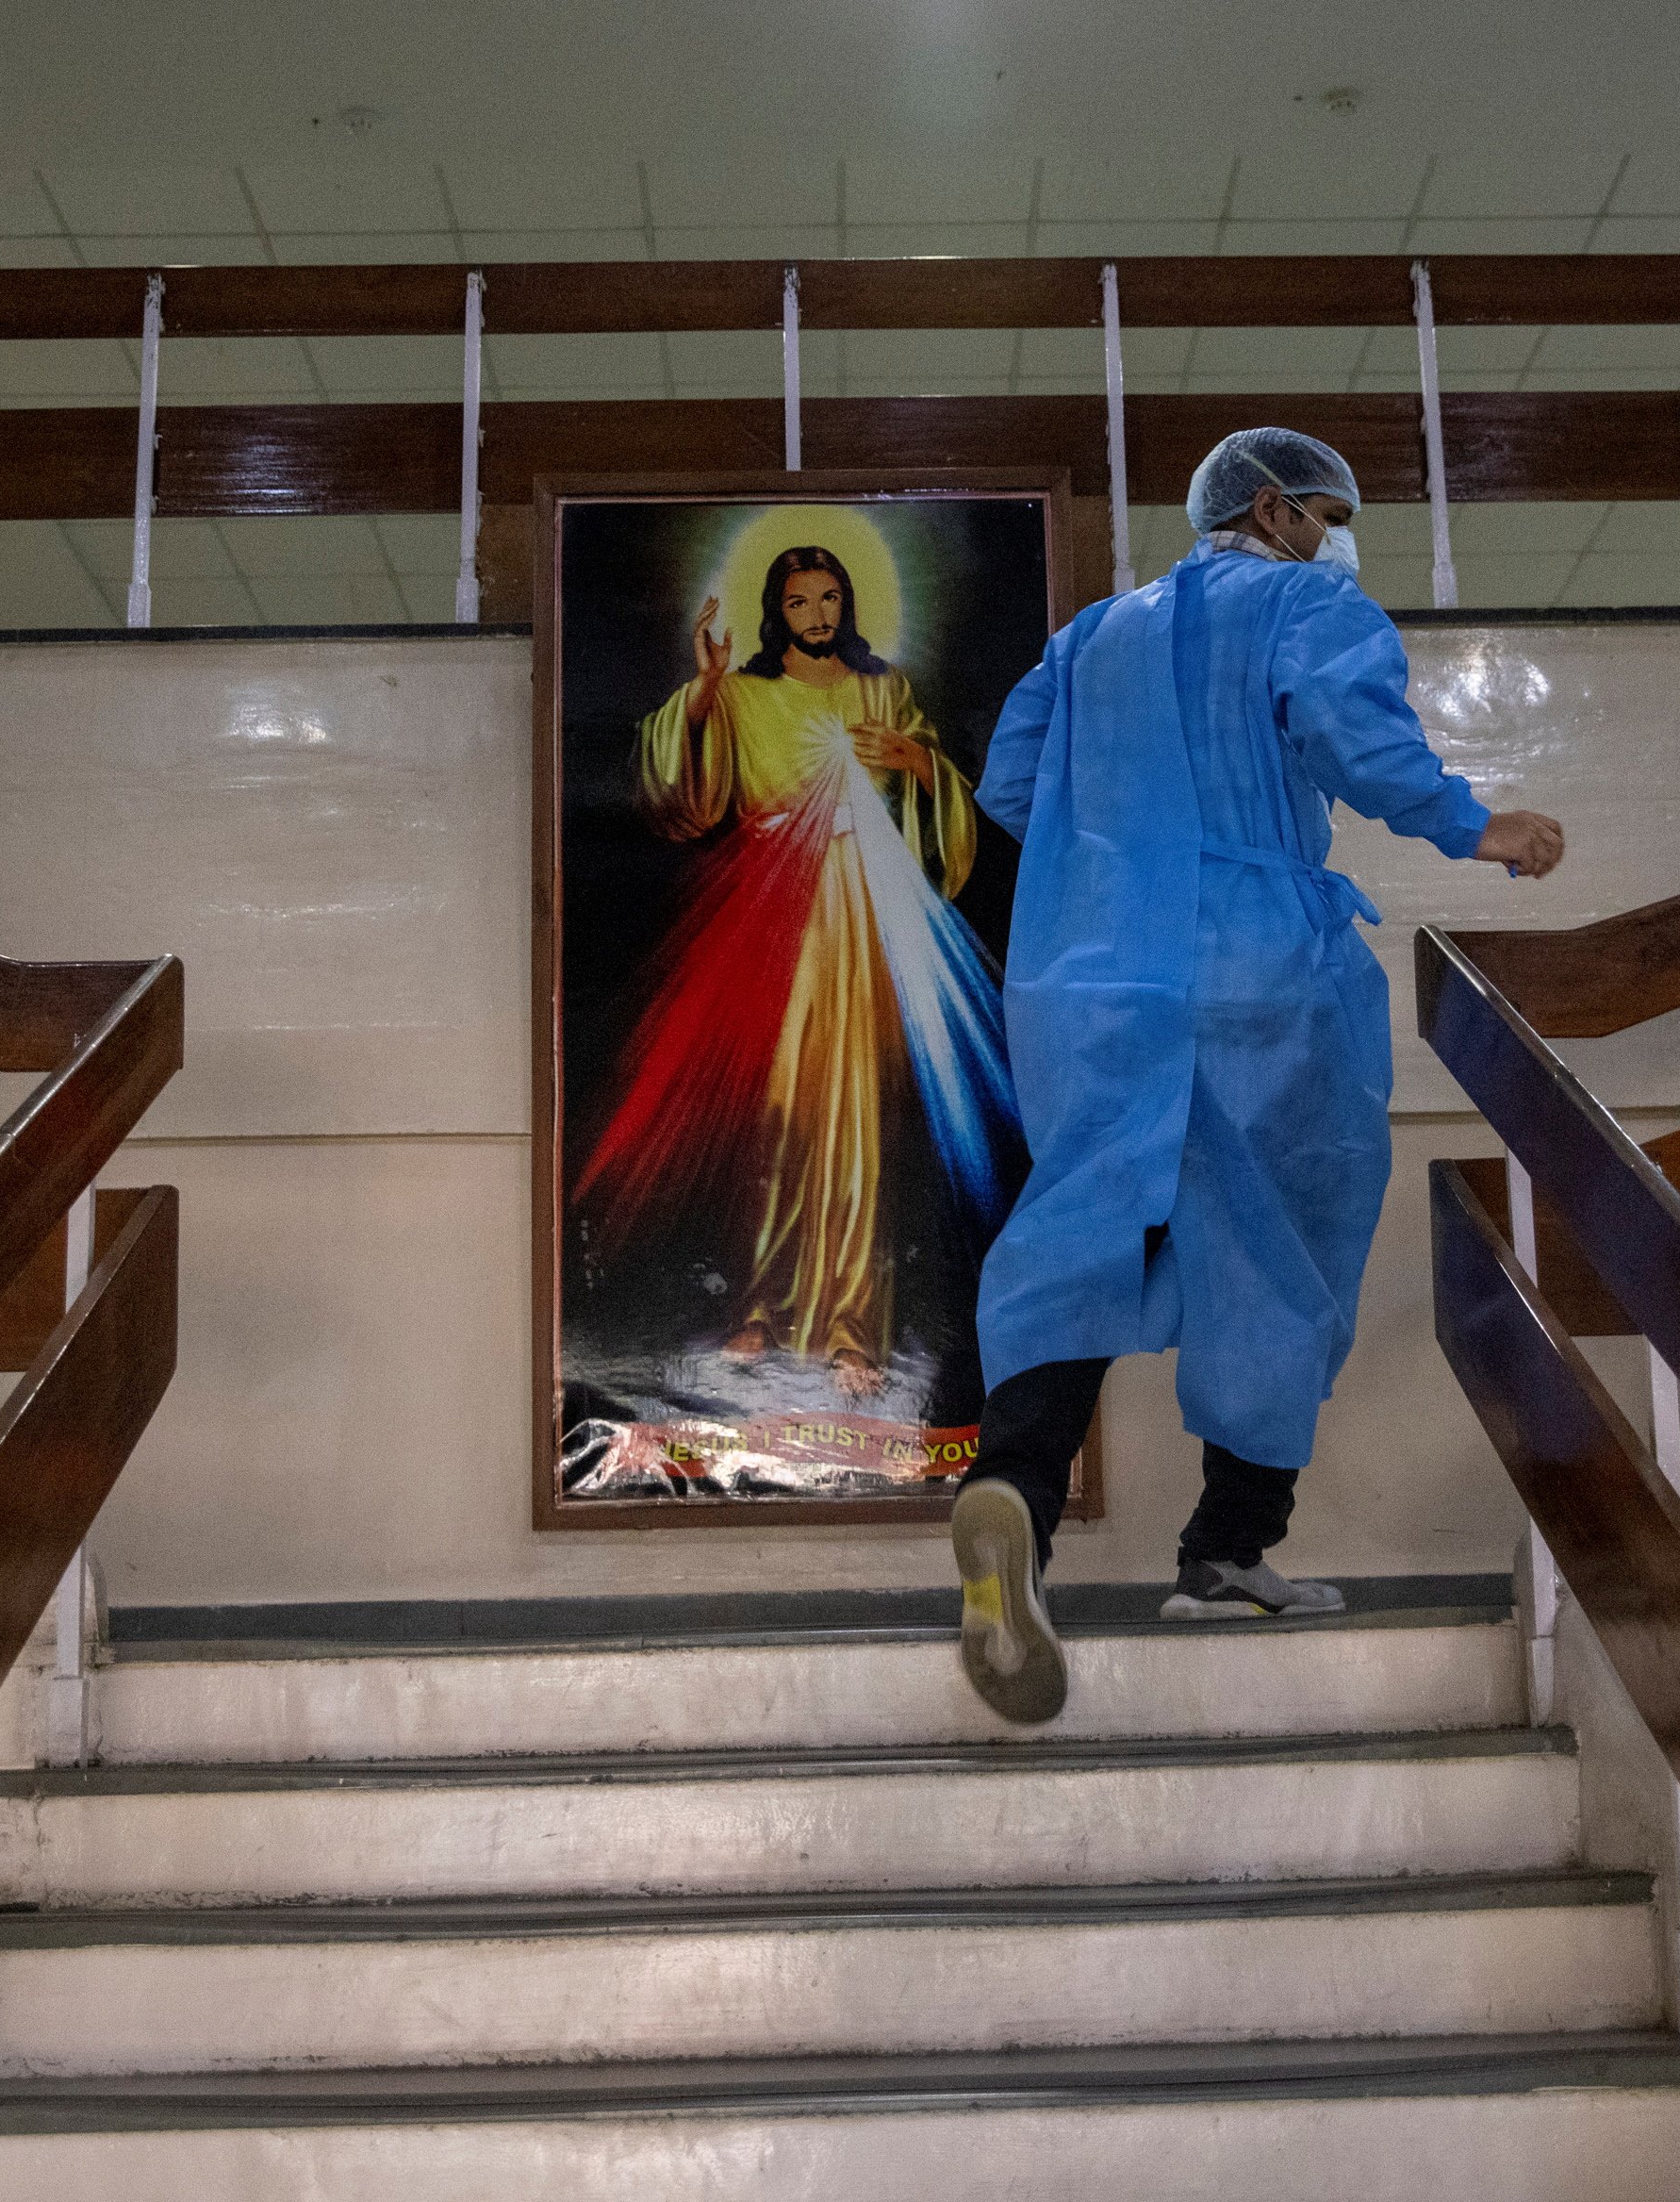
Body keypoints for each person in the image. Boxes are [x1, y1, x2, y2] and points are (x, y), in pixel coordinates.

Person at [947, 427, 1566, 1724]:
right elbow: (1356, 735)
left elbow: (1009, 785)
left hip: (1092, 977)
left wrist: (1122, 839)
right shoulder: (1307, 600)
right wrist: (1477, 823)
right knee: (1284, 1239)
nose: (1341, 537)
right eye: (1331, 512)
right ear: (1277, 509)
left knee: (1078, 1230)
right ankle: (1227, 1549)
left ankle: (1014, 1486)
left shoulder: (1089, 636)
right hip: (1257, 970)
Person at [576, 543, 1017, 1405]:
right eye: (801, 600)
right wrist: (704, 686)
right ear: (777, 611)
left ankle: (854, 1326)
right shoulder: (741, 694)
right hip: (769, 914)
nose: (818, 613)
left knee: (854, 1123)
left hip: (861, 914)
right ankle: (761, 1307)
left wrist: (918, 763)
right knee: (772, 1116)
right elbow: (680, 795)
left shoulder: (882, 690)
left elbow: (947, 803)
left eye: (831, 598)